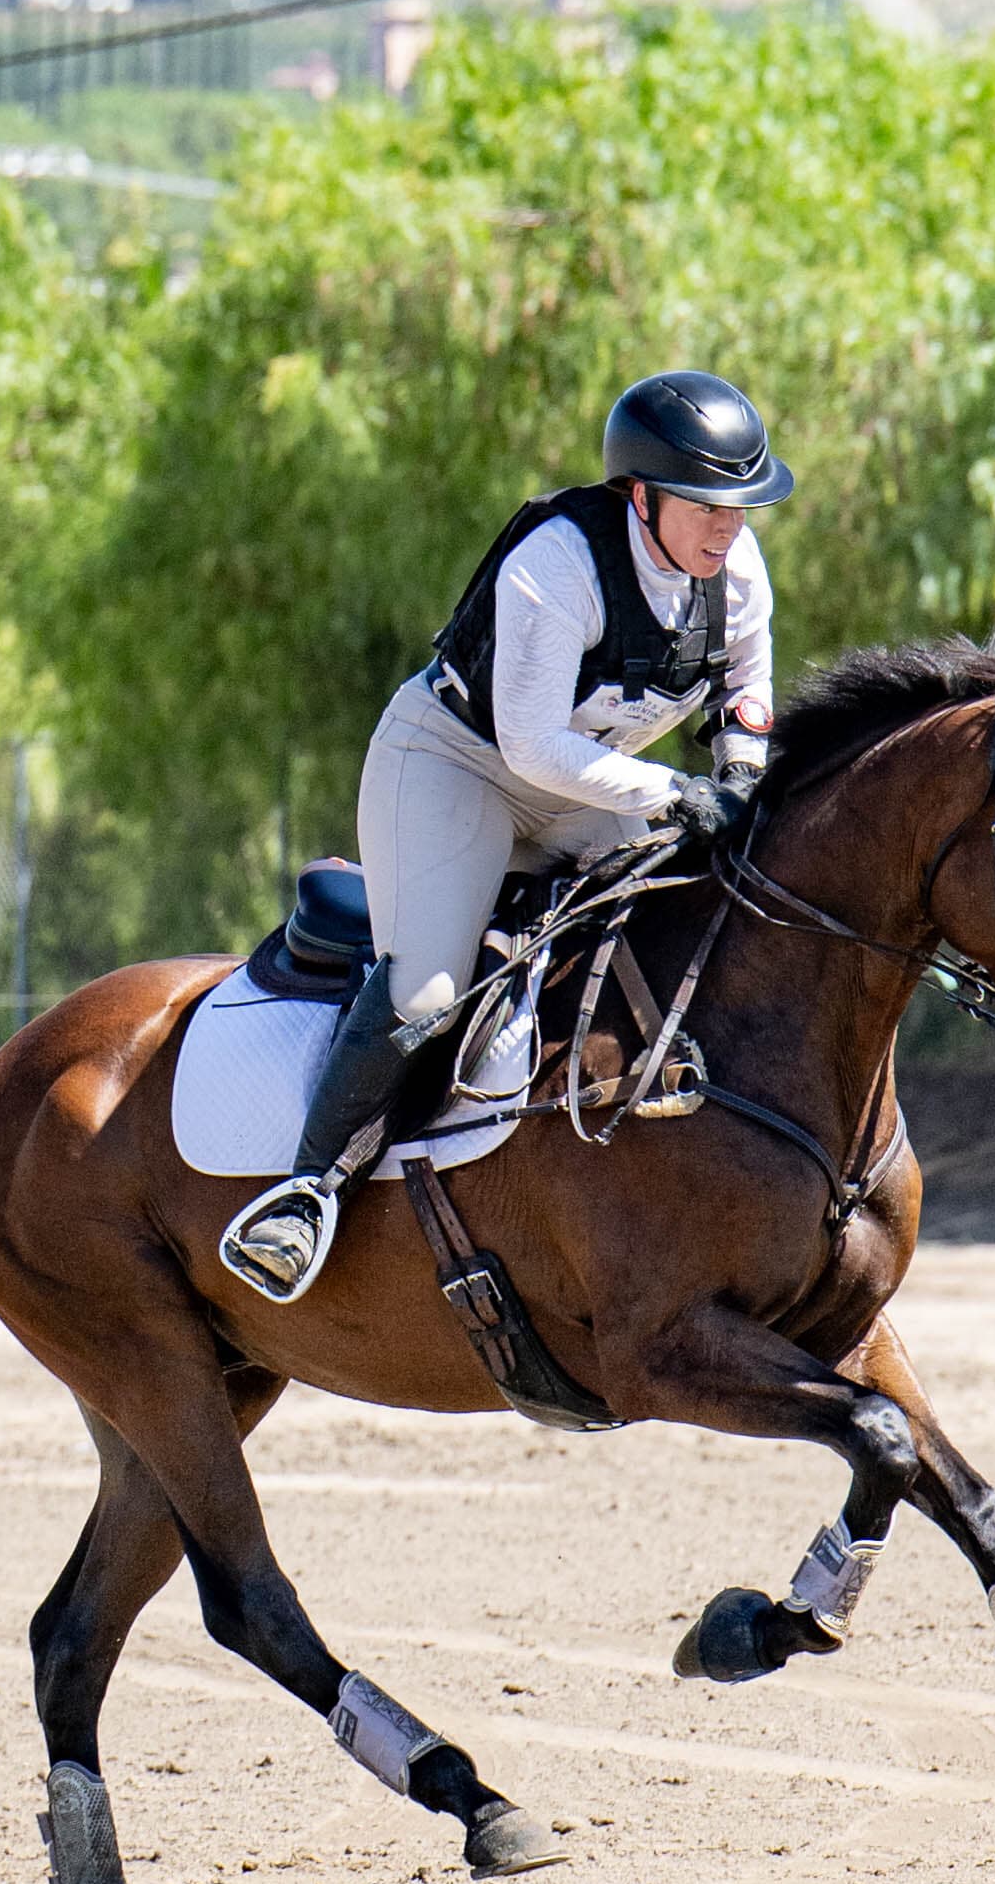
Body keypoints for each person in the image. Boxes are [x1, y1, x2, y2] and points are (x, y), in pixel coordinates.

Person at [217, 369, 788, 1300]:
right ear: (640, 496)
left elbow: (746, 696)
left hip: (591, 777)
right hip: (457, 766)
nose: (729, 526)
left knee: (702, 909)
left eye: (741, 503)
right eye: (706, 505)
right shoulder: (559, 562)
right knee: (431, 989)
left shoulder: (738, 570)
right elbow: (528, 744)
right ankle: (304, 1192)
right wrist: (679, 790)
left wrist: (737, 779)